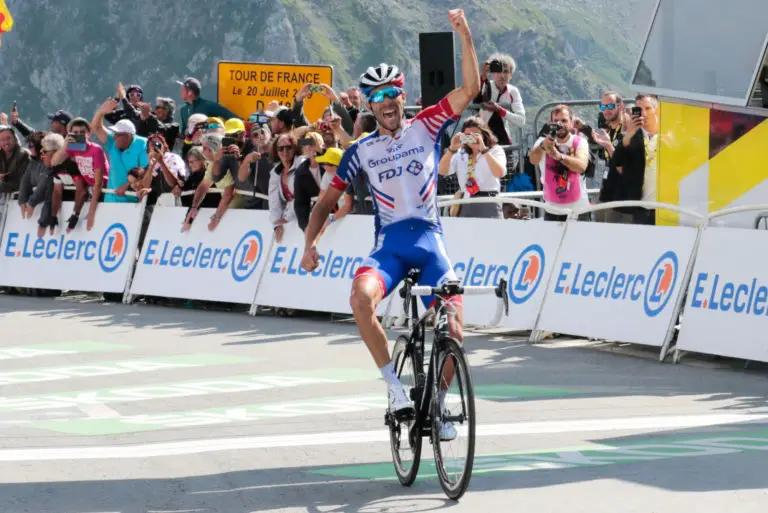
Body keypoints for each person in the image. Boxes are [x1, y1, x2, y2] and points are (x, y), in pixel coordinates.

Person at [300, 9, 480, 439]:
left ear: (403, 96)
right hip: (390, 248)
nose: (387, 102)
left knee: (455, 329)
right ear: (369, 105)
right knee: (360, 299)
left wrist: (465, 36)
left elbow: (470, 90)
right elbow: (324, 203)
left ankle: (438, 404)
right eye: (377, 96)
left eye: (393, 93)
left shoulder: (427, 125)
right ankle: (395, 388)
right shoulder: (360, 151)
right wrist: (310, 244)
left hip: (430, 242)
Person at [438, 116, 506, 219]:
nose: (472, 138)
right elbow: (442, 171)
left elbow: (499, 173)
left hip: (489, 201)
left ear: (484, 134)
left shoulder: (495, 150)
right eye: (468, 135)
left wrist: (483, 150)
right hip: (466, 200)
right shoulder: (461, 153)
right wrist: (451, 149)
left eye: (476, 135)